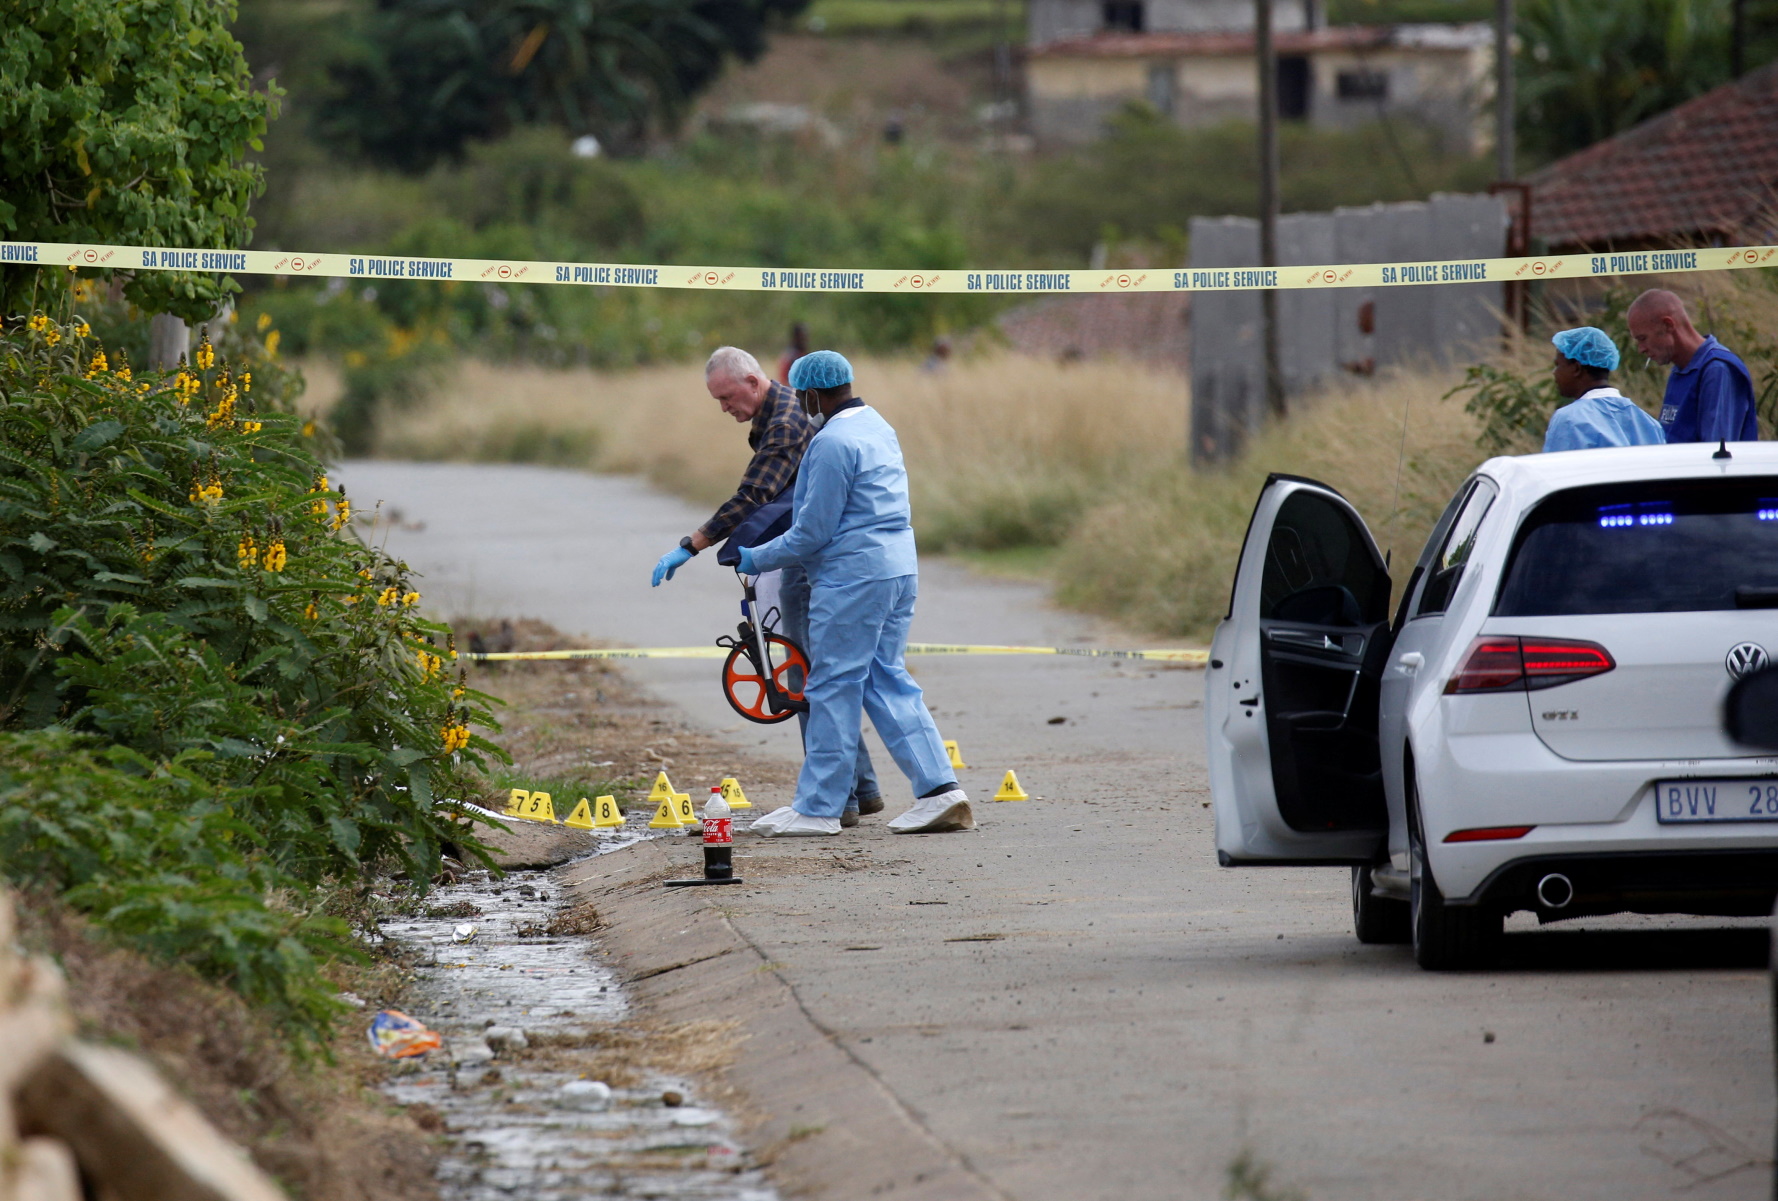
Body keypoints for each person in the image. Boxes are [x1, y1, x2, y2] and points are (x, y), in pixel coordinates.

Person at [738, 350, 973, 837]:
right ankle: (940, 792)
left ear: (810, 393)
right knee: (885, 678)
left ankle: (820, 806)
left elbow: (811, 533)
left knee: (830, 684)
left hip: (853, 579)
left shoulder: (831, 442)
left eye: (800, 395)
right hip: (897, 569)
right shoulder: (877, 425)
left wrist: (753, 557)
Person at [651, 346, 883, 825]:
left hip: (813, 558)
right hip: (814, 552)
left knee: (802, 674)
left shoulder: (784, 425)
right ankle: (861, 786)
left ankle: (838, 800)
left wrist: (693, 544)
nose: (724, 408)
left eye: (727, 397)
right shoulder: (779, 414)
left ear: (754, 383)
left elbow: (755, 493)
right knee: (821, 670)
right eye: (717, 400)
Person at [1626, 289, 1759, 443]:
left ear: (1668, 325)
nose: (1641, 349)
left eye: (1643, 338)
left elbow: (1717, 452)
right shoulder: (1681, 370)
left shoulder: (1717, 369)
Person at [1542, 326, 1664, 452]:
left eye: (1558, 365)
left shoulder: (1569, 419)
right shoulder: (1648, 422)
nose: (1554, 373)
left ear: (1576, 368)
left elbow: (1556, 469)